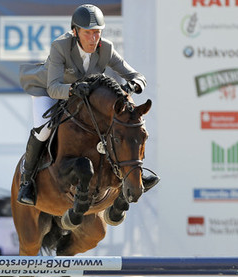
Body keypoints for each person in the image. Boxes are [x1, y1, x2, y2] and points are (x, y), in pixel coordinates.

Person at [16, 4, 159, 206]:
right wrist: (73, 89)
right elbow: (55, 87)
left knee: (116, 126)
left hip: (82, 96)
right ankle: (27, 180)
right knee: (44, 128)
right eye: (88, 33)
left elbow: (136, 75)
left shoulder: (106, 48)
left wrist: (135, 83)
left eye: (97, 33)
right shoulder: (61, 46)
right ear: (75, 32)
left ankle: (132, 174)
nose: (94, 39)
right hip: (50, 90)